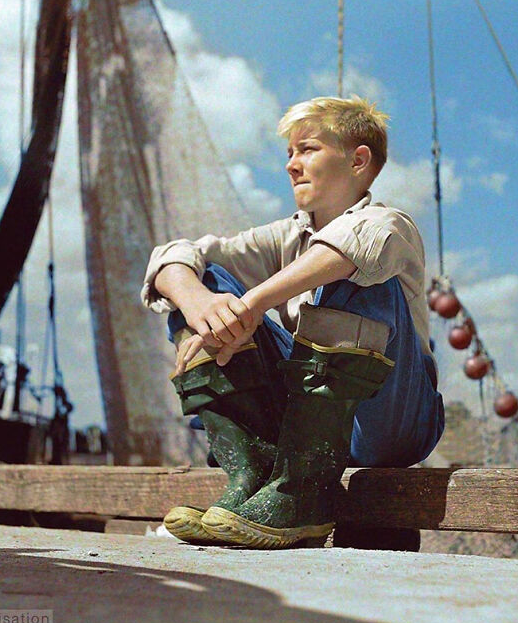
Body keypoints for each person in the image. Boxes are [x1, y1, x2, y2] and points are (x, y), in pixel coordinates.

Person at [140, 95, 444, 550]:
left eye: (307, 149)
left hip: (388, 422)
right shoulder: (285, 235)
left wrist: (254, 304)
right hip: (300, 426)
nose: (291, 165)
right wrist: (201, 303)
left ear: (358, 160)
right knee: (199, 281)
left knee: (357, 272)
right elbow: (174, 255)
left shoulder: (389, 223)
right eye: (289, 154)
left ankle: (301, 491)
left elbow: (356, 244)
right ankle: (255, 473)